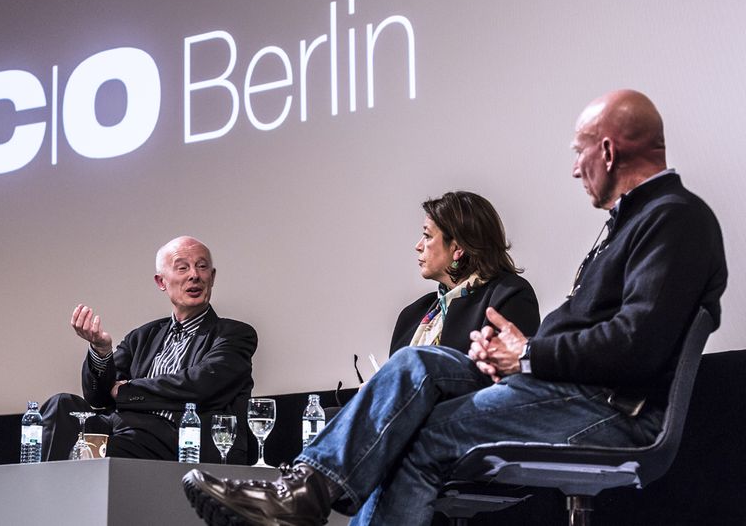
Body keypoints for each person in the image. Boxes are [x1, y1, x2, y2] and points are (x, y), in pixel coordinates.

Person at [181, 90, 727, 525]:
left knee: (420, 436)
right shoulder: (635, 222)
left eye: (578, 152)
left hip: (614, 413)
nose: (574, 168)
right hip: (568, 392)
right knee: (415, 365)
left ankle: (305, 494)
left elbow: (637, 345)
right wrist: (509, 357)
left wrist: (529, 355)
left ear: (607, 151)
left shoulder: (674, 218)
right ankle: (305, 488)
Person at [40, 236, 258, 464]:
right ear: (161, 282)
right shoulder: (143, 336)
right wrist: (101, 350)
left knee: (101, 450)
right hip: (120, 428)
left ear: (211, 277)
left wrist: (127, 390)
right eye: (182, 268)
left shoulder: (235, 334)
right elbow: (98, 396)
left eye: (202, 267)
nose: (194, 275)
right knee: (62, 405)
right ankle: (44, 494)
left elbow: (201, 385)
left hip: (178, 437)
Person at [389, 191, 539, 358]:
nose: (418, 246)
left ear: (458, 248)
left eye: (427, 236)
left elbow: (508, 375)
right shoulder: (411, 315)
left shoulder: (510, 296)